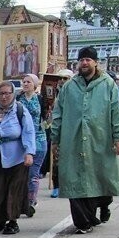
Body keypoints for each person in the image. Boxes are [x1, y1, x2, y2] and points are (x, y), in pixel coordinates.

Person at [51, 47, 119, 233]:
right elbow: (58, 113)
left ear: (95, 62)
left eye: (88, 60)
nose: (84, 63)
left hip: (99, 139)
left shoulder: (107, 84)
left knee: (97, 178)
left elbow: (116, 112)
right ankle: (83, 222)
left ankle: (97, 210)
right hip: (72, 140)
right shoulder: (69, 86)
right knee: (74, 179)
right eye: (81, 60)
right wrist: (55, 140)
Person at [0, 81, 35, 235]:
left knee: (14, 189)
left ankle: (12, 221)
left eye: (8, 93)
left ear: (13, 94)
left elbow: (28, 131)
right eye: (1, 93)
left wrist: (29, 152)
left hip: (16, 157)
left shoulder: (20, 111)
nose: (4, 96)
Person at [17, 73, 45, 216]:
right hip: (21, 139)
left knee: (33, 173)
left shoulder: (41, 99)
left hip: (38, 138)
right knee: (21, 173)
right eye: (24, 81)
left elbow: (47, 116)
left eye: (29, 82)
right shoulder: (18, 99)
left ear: (34, 84)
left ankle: (30, 202)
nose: (26, 84)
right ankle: (20, 201)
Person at [49, 69, 75, 198]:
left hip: (72, 131)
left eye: (66, 78)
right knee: (57, 160)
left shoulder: (75, 93)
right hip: (58, 130)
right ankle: (56, 186)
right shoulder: (53, 92)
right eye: (61, 78)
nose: (62, 81)